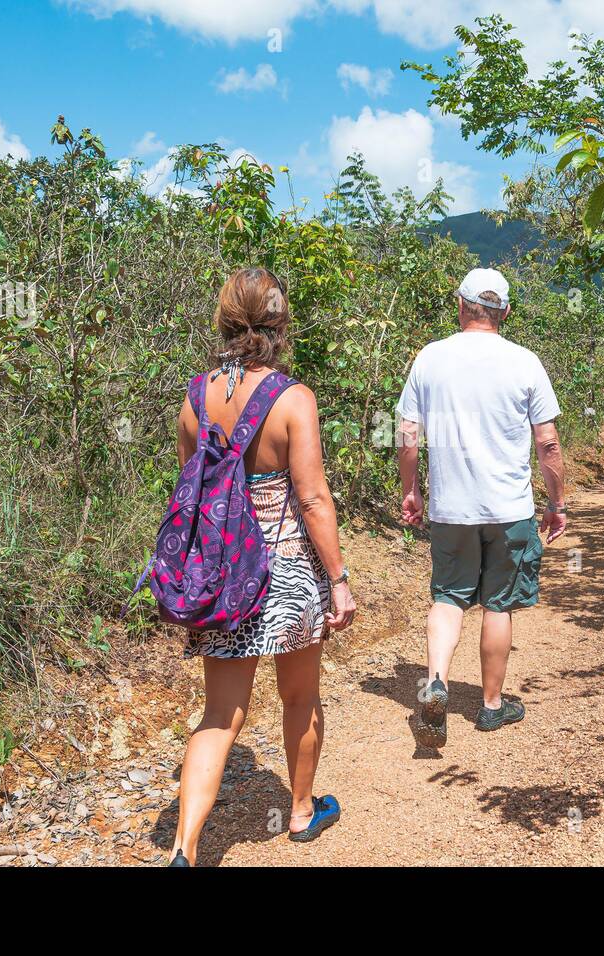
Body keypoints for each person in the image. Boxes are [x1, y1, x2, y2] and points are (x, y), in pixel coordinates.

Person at [169, 267, 357, 866]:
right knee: (300, 696)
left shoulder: (195, 398)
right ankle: (301, 812)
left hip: (224, 575)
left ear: (225, 321)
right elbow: (313, 499)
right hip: (287, 572)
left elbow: (191, 492)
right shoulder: (293, 399)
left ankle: (184, 847)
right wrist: (339, 580)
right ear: (280, 323)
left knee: (220, 714)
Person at [395, 267, 567, 747]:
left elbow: (408, 434)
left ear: (460, 306)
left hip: (451, 509)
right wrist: (556, 502)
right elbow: (548, 443)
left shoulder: (430, 358)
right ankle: (491, 707)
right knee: (499, 602)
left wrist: (411, 489)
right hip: (509, 509)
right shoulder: (525, 362)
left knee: (448, 597)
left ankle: (437, 684)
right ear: (505, 313)